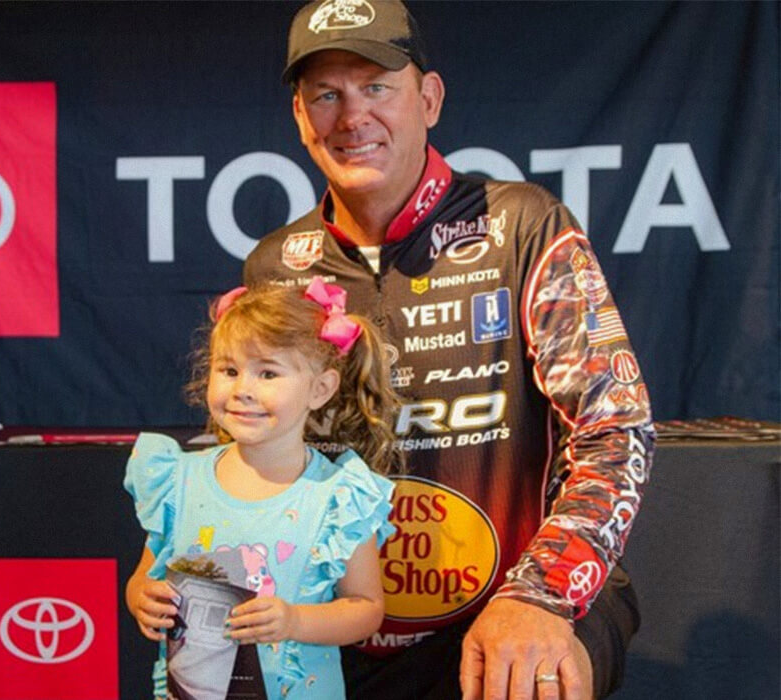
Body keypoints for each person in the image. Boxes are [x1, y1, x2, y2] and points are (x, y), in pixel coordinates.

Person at [243, 2, 656, 699]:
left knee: (532, 676)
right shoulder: (277, 266)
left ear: (428, 99)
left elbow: (615, 431)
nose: (352, 117)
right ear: (299, 116)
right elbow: (253, 462)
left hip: (517, 602)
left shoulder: (521, 224)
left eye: (376, 87)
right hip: (343, 620)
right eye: (326, 94)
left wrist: (541, 595)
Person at [124, 278, 404, 698]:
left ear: (320, 389)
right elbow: (143, 578)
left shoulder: (339, 496)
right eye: (229, 370)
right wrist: (142, 599)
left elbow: (365, 610)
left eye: (268, 372)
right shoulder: (176, 480)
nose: (242, 390)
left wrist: (293, 621)